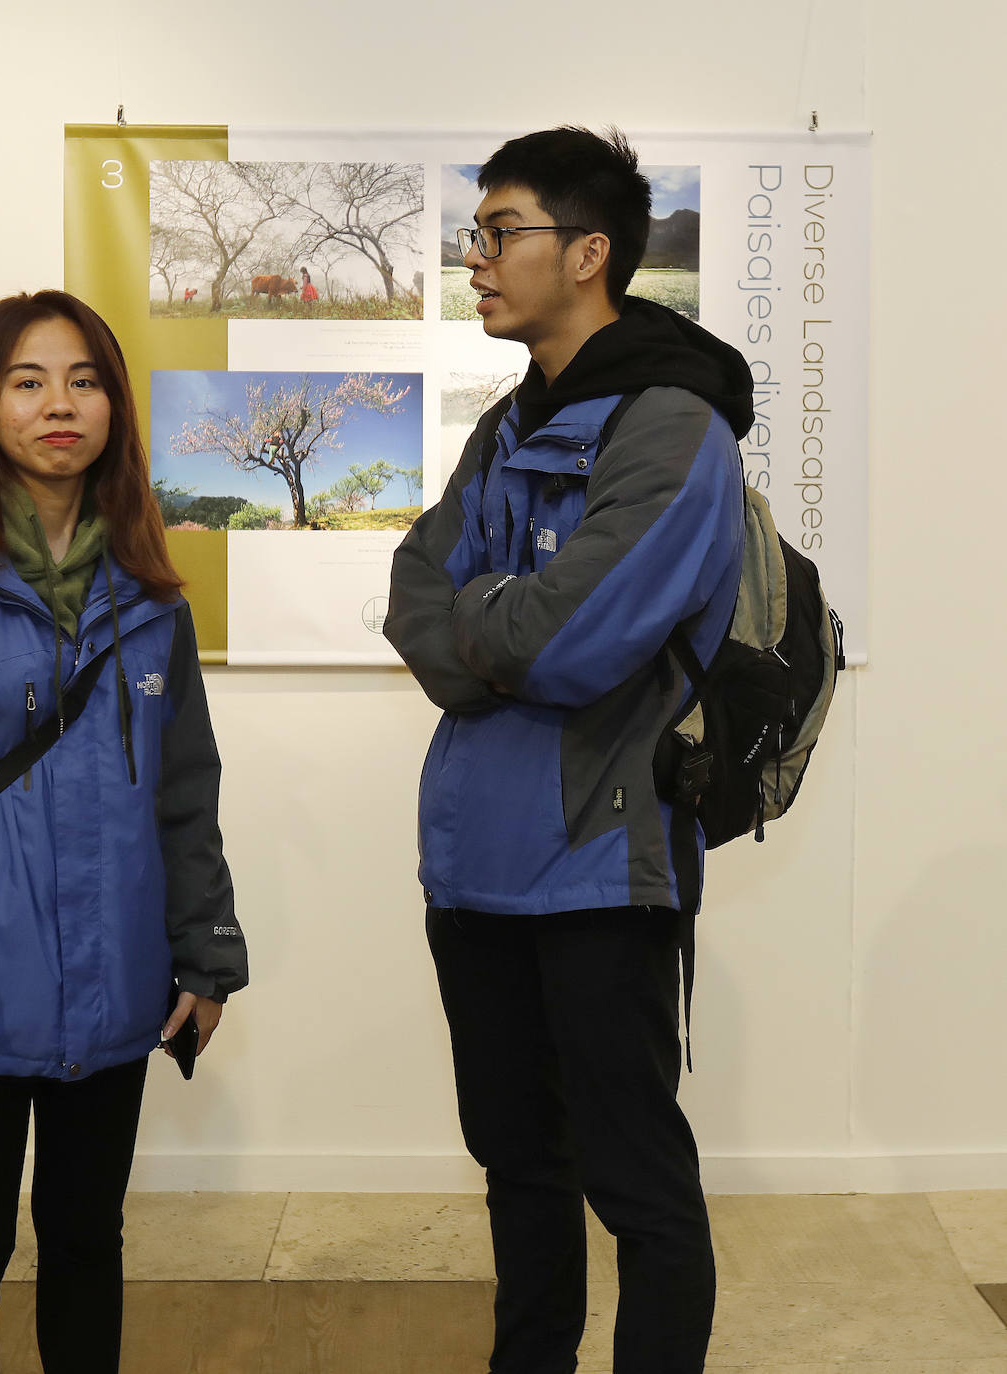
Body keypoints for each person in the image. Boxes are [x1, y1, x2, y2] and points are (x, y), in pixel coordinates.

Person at [383, 127, 753, 1373]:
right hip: (474, 863)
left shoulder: (675, 427)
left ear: (587, 252)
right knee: (515, 1166)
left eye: (499, 234)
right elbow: (413, 596)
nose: (474, 260)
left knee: (634, 1181)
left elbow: (573, 642)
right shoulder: (506, 425)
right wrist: (494, 621)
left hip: (602, 864)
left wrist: (488, 619)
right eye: (473, 236)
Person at [0, 289, 248, 1374]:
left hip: (117, 982)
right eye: (26, 382)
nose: (57, 405)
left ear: (114, 407)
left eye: (82, 381)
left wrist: (205, 954)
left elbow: (182, 789)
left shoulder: (149, 585)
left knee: (86, 1243)